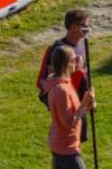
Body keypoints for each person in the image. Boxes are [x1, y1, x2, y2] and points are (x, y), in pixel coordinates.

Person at [43, 44, 95, 169]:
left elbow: (71, 113)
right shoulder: (62, 90)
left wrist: (86, 107)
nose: (77, 61)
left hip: (58, 143)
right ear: (66, 64)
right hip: (66, 147)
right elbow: (68, 122)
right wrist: (85, 102)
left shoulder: (59, 82)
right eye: (74, 59)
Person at [36, 8, 91, 140]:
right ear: (73, 27)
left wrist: (88, 96)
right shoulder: (59, 49)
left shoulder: (82, 44)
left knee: (78, 133)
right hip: (65, 96)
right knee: (66, 128)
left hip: (78, 94)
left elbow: (85, 72)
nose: (88, 29)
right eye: (84, 26)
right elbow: (53, 77)